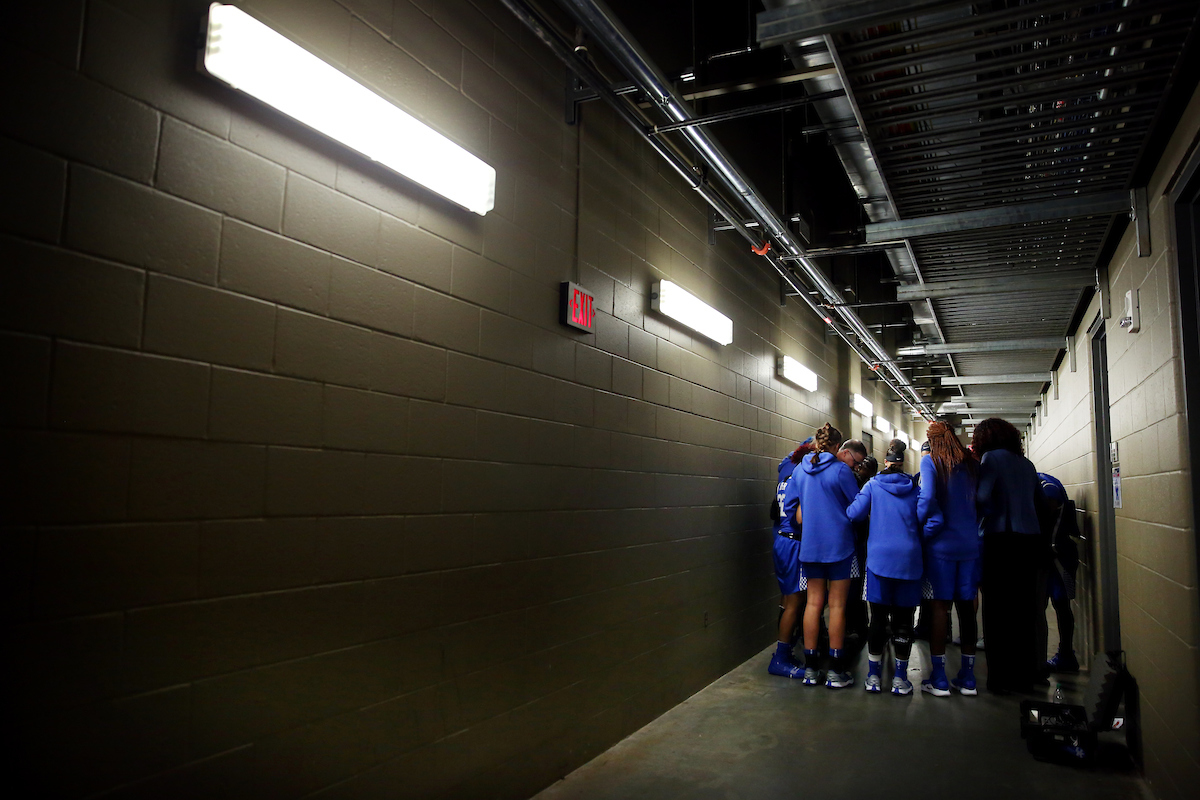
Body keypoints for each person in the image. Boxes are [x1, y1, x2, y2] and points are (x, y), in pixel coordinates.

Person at [973, 418, 1049, 693]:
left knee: (997, 611)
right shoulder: (1026, 464)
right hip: (1029, 541)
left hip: (1001, 539)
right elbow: (1040, 502)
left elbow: (981, 497)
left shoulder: (991, 459)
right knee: (1024, 610)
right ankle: (1024, 675)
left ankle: (1001, 679)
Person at [848, 440, 928, 695]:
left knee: (878, 619)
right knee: (904, 620)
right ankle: (900, 679)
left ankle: (873, 677)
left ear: (885, 462)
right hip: (909, 560)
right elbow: (927, 518)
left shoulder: (872, 485)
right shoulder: (915, 489)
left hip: (879, 561)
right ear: (904, 463)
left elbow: (854, 514)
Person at [794, 424, 865, 688]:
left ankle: (811, 669)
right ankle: (836, 671)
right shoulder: (840, 471)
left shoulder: (801, 470)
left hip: (810, 547)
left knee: (812, 604)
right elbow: (856, 506)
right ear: (838, 447)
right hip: (839, 548)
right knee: (836, 606)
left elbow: (797, 507)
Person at [917, 421, 981, 696]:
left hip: (941, 546)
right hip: (970, 544)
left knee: (939, 608)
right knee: (967, 609)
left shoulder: (932, 461)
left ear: (931, 441)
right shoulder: (970, 463)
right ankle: (968, 677)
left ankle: (939, 677)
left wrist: (916, 524)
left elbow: (928, 496)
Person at [768, 437, 814, 678]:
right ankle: (781, 657)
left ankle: (783, 651)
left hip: (781, 538)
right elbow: (802, 518)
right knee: (795, 603)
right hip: (793, 542)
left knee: (788, 600)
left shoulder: (787, 467)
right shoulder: (802, 475)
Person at [1037, 472, 1081, 673]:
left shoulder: (1044, 484)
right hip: (1053, 555)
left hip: (1060, 556)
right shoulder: (1040, 480)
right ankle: (1057, 655)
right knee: (1049, 604)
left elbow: (1051, 499)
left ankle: (1066, 655)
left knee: (1061, 604)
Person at [846, 455, 879, 642]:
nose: (860, 468)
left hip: (862, 541)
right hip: (860, 540)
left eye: (865, 466)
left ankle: (859, 625)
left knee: (857, 586)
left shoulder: (870, 486)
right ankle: (859, 625)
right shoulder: (864, 484)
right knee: (856, 586)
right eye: (860, 464)